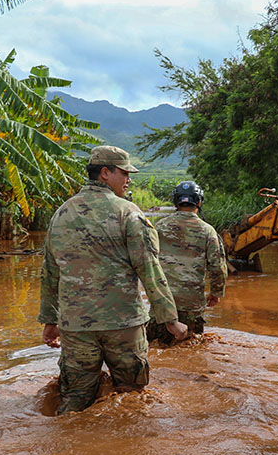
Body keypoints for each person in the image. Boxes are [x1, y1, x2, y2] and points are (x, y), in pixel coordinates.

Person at [38, 145, 188, 414]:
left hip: (76, 326)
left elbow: (50, 271)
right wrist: (170, 319)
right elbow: (149, 267)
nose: (129, 179)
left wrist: (50, 321)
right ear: (105, 173)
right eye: (124, 173)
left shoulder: (61, 213)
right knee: (132, 399)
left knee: (75, 401)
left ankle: (67, 451)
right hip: (123, 324)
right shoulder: (128, 212)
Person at [146, 180, 227, 345]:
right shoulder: (207, 231)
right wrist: (216, 292)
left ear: (175, 201)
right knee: (190, 348)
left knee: (155, 347)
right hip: (191, 304)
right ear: (199, 202)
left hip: (162, 302)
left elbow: (146, 260)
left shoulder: (160, 227)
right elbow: (217, 266)